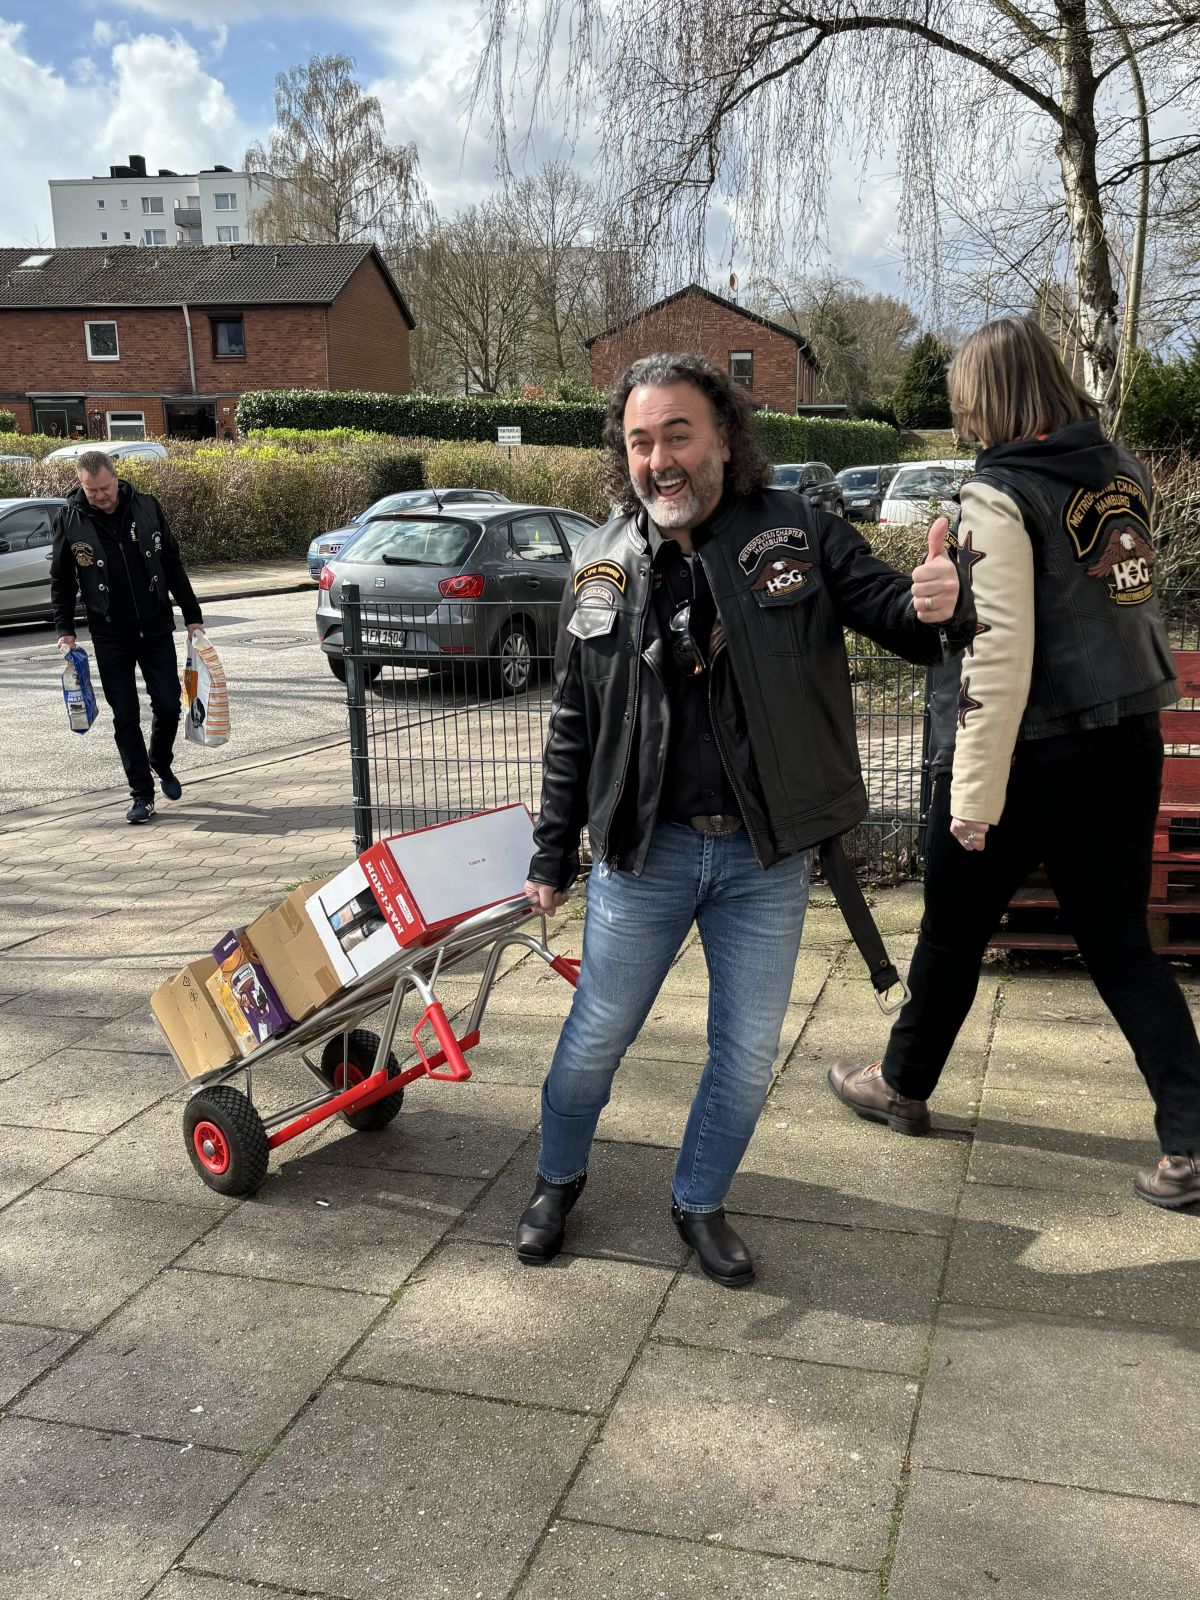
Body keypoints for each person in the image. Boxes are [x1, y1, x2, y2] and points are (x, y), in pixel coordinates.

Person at [517, 351, 976, 1286]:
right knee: (595, 1038)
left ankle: (698, 1199)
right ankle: (556, 1179)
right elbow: (574, 717)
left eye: (678, 434)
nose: (660, 460)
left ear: (724, 437)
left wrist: (936, 608)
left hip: (762, 860)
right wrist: (551, 852)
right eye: (640, 442)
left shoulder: (800, 530)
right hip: (642, 855)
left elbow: (893, 612)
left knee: (746, 1053)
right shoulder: (602, 561)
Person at [829, 315, 1200, 1211]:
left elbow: (996, 656)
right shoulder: (1120, 473)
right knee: (1121, 946)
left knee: (953, 931)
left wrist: (972, 796)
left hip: (1030, 754)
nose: (964, 420)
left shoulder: (1000, 493)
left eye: (966, 402)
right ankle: (1193, 1139)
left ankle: (902, 1085)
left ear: (987, 399)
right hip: (1127, 738)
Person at [51, 449, 203, 825]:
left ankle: (160, 760)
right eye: (91, 491)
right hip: (109, 632)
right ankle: (141, 794)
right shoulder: (69, 518)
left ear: (115, 478)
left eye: (104, 488)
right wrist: (65, 629)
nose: (100, 496)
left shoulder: (146, 507)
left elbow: (172, 563)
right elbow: (62, 580)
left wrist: (192, 616)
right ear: (82, 485)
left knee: (168, 704)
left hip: (154, 626)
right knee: (125, 715)